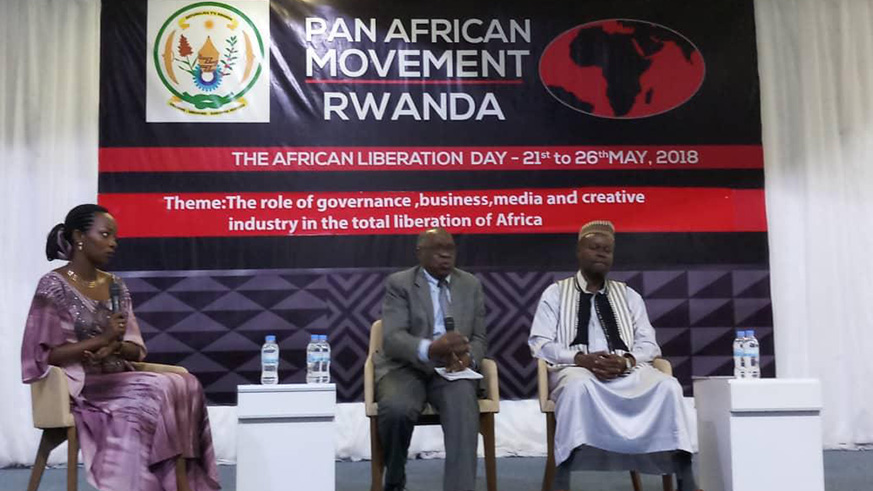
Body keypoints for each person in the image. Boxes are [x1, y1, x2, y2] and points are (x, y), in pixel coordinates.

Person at [21, 204, 220, 491]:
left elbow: (135, 348)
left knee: (186, 383)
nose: (113, 243)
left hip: (121, 376)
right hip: (80, 388)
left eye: (115, 237)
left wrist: (113, 348)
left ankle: (182, 484)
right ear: (79, 237)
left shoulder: (116, 286)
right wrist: (100, 340)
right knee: (155, 390)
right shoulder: (53, 286)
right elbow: (44, 354)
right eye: (105, 234)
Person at [528, 220, 698, 491]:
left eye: (607, 249)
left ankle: (685, 477)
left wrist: (626, 360)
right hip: (576, 369)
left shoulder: (628, 295)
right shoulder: (556, 293)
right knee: (577, 386)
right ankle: (563, 476)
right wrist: (581, 359)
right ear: (579, 252)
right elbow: (540, 343)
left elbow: (649, 344)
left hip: (627, 370)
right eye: (594, 248)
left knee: (668, 386)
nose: (601, 254)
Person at [373, 228, 487, 491]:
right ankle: (395, 477)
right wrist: (430, 348)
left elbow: (480, 338)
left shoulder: (470, 284)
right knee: (397, 409)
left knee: (462, 404)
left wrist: (468, 359)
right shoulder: (399, 283)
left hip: (452, 371)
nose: (445, 255)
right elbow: (392, 338)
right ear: (419, 253)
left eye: (450, 249)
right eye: (437, 249)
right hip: (405, 367)